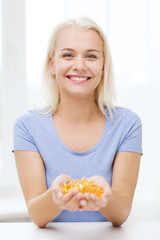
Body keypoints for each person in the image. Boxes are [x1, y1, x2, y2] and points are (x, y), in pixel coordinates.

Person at [13, 17, 142, 228]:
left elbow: (121, 214)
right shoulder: (27, 126)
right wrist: (56, 197)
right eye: (68, 55)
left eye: (91, 56)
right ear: (52, 65)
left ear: (103, 67)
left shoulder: (127, 124)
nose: (80, 65)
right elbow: (37, 215)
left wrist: (105, 197)